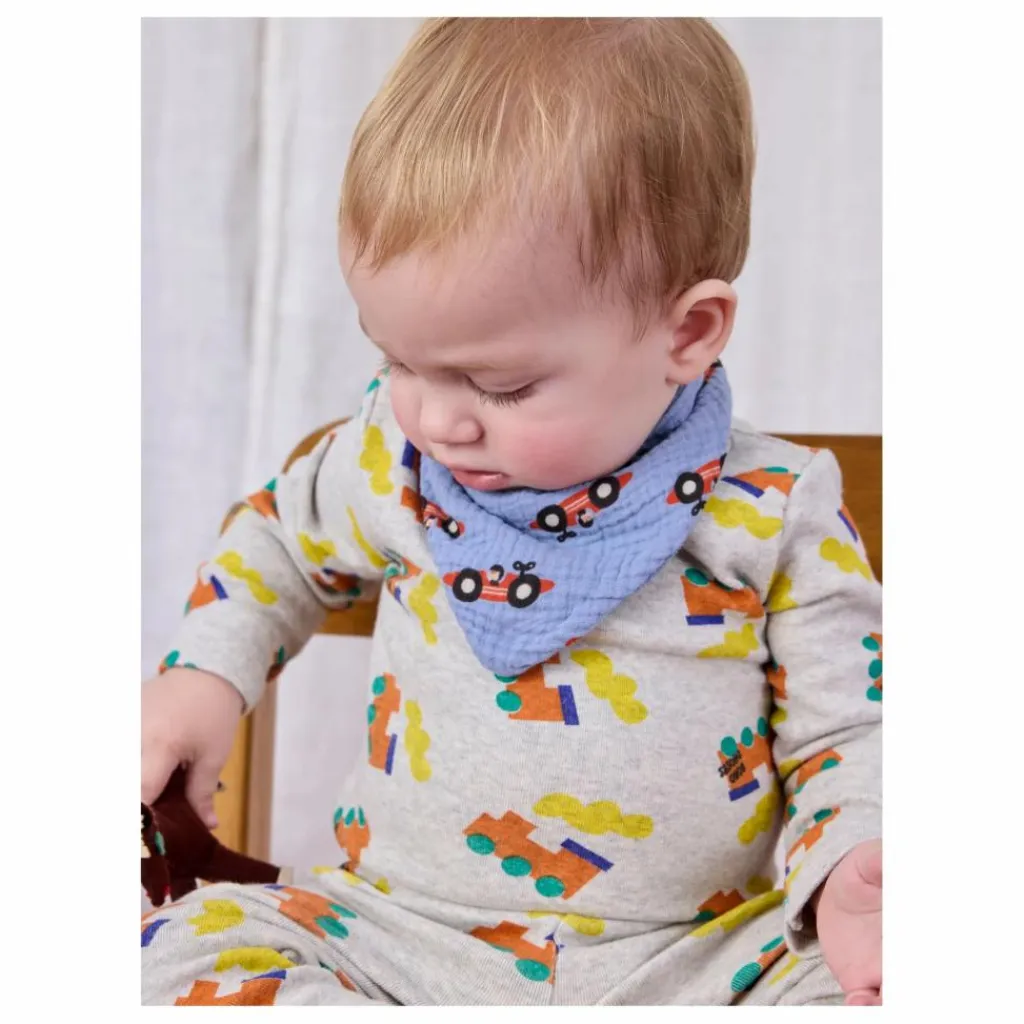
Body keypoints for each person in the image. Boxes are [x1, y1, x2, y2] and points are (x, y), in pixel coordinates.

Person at [141, 17, 881, 1006]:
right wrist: (202, 678)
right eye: (399, 361)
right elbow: (278, 540)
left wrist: (856, 865)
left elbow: (854, 728)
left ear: (688, 333)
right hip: (398, 937)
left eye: (500, 385)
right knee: (182, 947)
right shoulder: (390, 458)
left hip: (698, 962)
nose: (435, 418)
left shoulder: (771, 511)